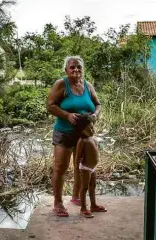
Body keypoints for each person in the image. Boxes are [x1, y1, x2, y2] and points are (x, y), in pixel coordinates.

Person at [46, 56, 101, 217]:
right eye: (72, 67)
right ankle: (58, 203)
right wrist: (67, 115)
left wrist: (95, 115)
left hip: (84, 134)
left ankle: (76, 197)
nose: (76, 70)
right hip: (64, 133)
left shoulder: (88, 86)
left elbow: (97, 104)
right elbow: (50, 105)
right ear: (66, 70)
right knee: (60, 167)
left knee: (82, 167)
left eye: (79, 67)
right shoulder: (61, 84)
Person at [74, 114, 107, 218]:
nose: (92, 130)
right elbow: (77, 156)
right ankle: (83, 208)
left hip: (93, 168)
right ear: (81, 130)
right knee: (84, 188)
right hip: (85, 168)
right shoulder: (82, 141)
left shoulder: (93, 138)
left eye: (92, 127)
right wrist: (76, 168)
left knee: (93, 185)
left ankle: (93, 205)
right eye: (88, 129)